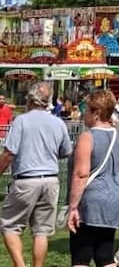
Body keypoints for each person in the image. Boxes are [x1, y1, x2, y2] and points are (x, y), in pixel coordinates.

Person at [0, 81, 73, 267]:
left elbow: (9, 153)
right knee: (41, 231)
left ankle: (20, 265)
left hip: (26, 179)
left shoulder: (21, 121)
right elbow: (66, 151)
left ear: (30, 99)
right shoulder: (58, 123)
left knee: (10, 225)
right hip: (50, 180)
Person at [66, 89, 119, 267]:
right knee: (105, 254)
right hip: (114, 199)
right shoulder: (118, 136)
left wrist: (73, 206)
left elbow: (81, 174)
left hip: (92, 200)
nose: (84, 113)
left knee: (81, 255)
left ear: (96, 113)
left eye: (87, 109)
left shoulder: (88, 137)